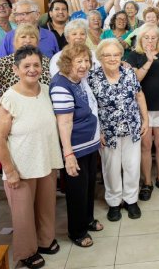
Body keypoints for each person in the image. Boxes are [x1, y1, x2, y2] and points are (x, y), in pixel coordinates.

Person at [0, 46, 63, 269]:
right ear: (16, 69)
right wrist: (10, 171)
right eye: (26, 66)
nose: (32, 70)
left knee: (46, 206)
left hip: (46, 159)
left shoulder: (46, 89)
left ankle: (44, 241)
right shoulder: (9, 99)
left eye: (36, 65)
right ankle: (27, 251)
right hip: (21, 166)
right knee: (23, 215)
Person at [89, 39, 149, 222]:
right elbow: (91, 107)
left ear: (121, 56)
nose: (113, 58)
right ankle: (114, 202)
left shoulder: (129, 73)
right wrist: (97, 132)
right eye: (107, 55)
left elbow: (139, 95)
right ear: (100, 57)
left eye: (116, 54)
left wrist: (145, 119)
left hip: (132, 127)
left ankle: (131, 200)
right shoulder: (92, 77)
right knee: (111, 168)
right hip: (107, 131)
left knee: (132, 165)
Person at [50, 43, 102, 248]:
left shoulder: (78, 79)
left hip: (89, 143)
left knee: (89, 186)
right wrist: (68, 154)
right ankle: (77, 231)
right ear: (66, 63)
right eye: (78, 61)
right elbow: (64, 122)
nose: (84, 65)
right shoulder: (61, 85)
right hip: (76, 148)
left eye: (86, 60)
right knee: (77, 191)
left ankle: (87, 220)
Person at [126, 24, 159, 200]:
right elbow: (136, 79)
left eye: (153, 37)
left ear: (158, 38)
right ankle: (147, 182)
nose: (150, 40)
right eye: (146, 37)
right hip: (143, 109)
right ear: (141, 38)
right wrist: (149, 61)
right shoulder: (134, 56)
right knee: (145, 146)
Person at [0, 24, 53, 98]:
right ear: (16, 41)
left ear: (37, 41)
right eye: (23, 37)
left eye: (32, 37)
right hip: (12, 110)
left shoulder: (47, 62)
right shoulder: (5, 61)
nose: (28, 40)